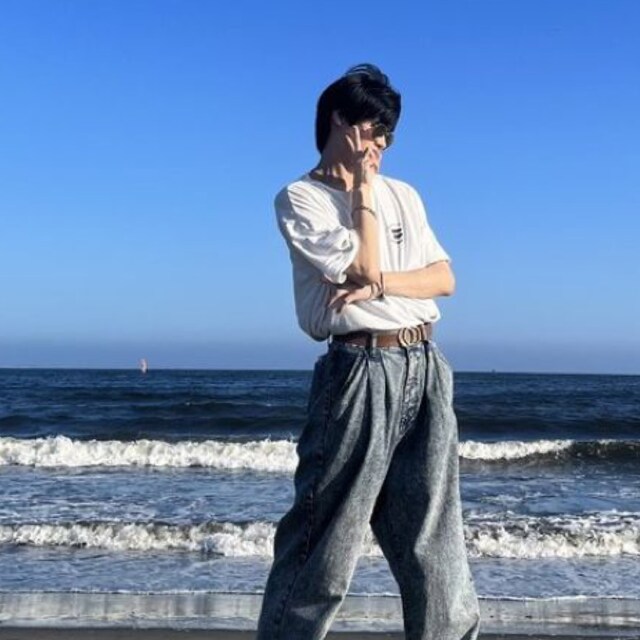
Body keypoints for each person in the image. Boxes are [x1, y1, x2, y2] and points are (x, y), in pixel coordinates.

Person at [256, 63, 481, 640]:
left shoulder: (404, 193)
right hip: (359, 369)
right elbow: (360, 264)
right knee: (325, 542)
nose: (380, 143)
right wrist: (359, 193)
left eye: (388, 134)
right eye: (373, 129)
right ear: (339, 120)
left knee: (435, 543)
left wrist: (382, 286)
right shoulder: (300, 198)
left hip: (425, 363)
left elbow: (444, 279)